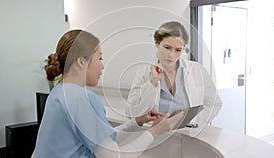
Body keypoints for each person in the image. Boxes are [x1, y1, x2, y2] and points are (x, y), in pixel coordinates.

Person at [31, 30, 183, 158]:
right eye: (100, 58)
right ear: (81, 61)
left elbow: (105, 139)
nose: (102, 66)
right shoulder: (81, 99)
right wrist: (155, 131)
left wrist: (138, 121)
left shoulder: (60, 92)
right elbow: (115, 156)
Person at [126, 21, 222, 130]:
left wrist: (195, 123)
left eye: (178, 50)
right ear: (157, 43)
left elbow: (215, 103)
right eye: (167, 47)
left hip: (188, 136)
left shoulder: (197, 70)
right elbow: (131, 112)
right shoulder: (143, 74)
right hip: (155, 136)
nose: (171, 54)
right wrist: (152, 83)